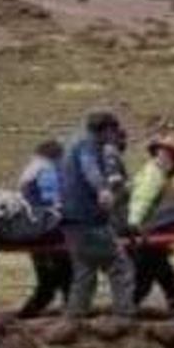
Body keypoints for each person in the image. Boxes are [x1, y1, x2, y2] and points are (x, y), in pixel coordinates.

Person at [60, 110, 135, 319]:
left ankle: (73, 321)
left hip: (71, 221)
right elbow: (89, 168)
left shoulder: (74, 144)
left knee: (85, 272)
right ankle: (124, 319)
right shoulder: (88, 145)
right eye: (114, 132)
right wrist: (102, 189)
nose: (116, 138)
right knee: (120, 267)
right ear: (107, 130)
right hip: (89, 220)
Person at [128, 133, 174, 318]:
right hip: (147, 233)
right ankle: (125, 312)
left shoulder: (160, 176)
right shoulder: (153, 174)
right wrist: (134, 223)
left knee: (163, 270)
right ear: (162, 154)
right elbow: (142, 199)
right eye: (173, 157)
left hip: (154, 234)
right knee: (145, 276)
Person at [16, 139, 71, 318]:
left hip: (33, 229)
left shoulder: (31, 169)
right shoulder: (46, 170)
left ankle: (26, 317)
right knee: (66, 277)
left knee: (47, 283)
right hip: (48, 229)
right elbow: (53, 201)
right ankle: (73, 318)